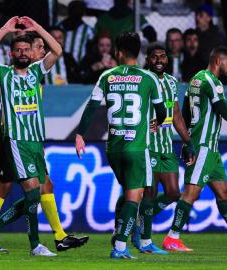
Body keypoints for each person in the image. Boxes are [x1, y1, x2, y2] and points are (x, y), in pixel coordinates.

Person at [0, 30, 88, 253]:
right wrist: (6, 29)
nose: (23, 53)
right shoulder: (3, 74)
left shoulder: (36, 73)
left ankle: (28, 239)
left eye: (27, 49)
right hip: (15, 140)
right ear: (10, 53)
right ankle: (22, 239)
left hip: (36, 141)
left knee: (37, 192)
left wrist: (37, 27)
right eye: (18, 50)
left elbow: (57, 50)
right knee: (25, 191)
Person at [162, 46, 227, 252]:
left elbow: (184, 112)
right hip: (203, 146)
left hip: (209, 148)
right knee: (191, 194)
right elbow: (224, 112)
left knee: (223, 192)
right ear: (218, 61)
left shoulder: (196, 79)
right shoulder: (212, 81)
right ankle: (172, 237)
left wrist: (186, 141)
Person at [75, 31, 166, 259]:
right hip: (137, 147)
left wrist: (80, 134)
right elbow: (162, 112)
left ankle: (124, 235)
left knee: (130, 194)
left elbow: (92, 107)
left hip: (113, 149)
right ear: (139, 52)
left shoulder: (107, 76)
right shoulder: (149, 78)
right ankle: (120, 246)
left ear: (118, 52)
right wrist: (155, 122)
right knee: (135, 197)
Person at [131, 43, 196, 254]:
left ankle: (137, 220)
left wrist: (188, 141)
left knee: (173, 192)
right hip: (148, 145)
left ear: (167, 60)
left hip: (167, 145)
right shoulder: (141, 79)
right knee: (149, 192)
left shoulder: (171, 82)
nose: (159, 60)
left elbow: (176, 115)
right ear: (148, 60)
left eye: (163, 56)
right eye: (154, 57)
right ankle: (146, 241)